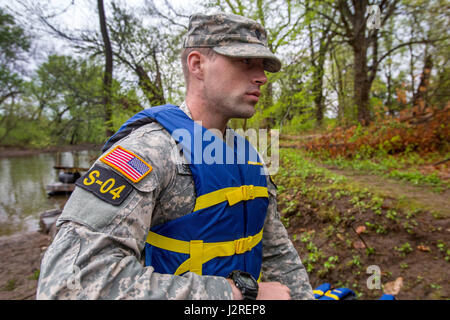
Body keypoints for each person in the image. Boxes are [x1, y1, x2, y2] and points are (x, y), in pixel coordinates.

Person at [36, 12, 314, 300]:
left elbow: (277, 252)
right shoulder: (147, 151)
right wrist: (235, 295)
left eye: (263, 66)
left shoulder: (250, 154)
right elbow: (65, 285)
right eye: (245, 62)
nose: (262, 78)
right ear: (197, 65)